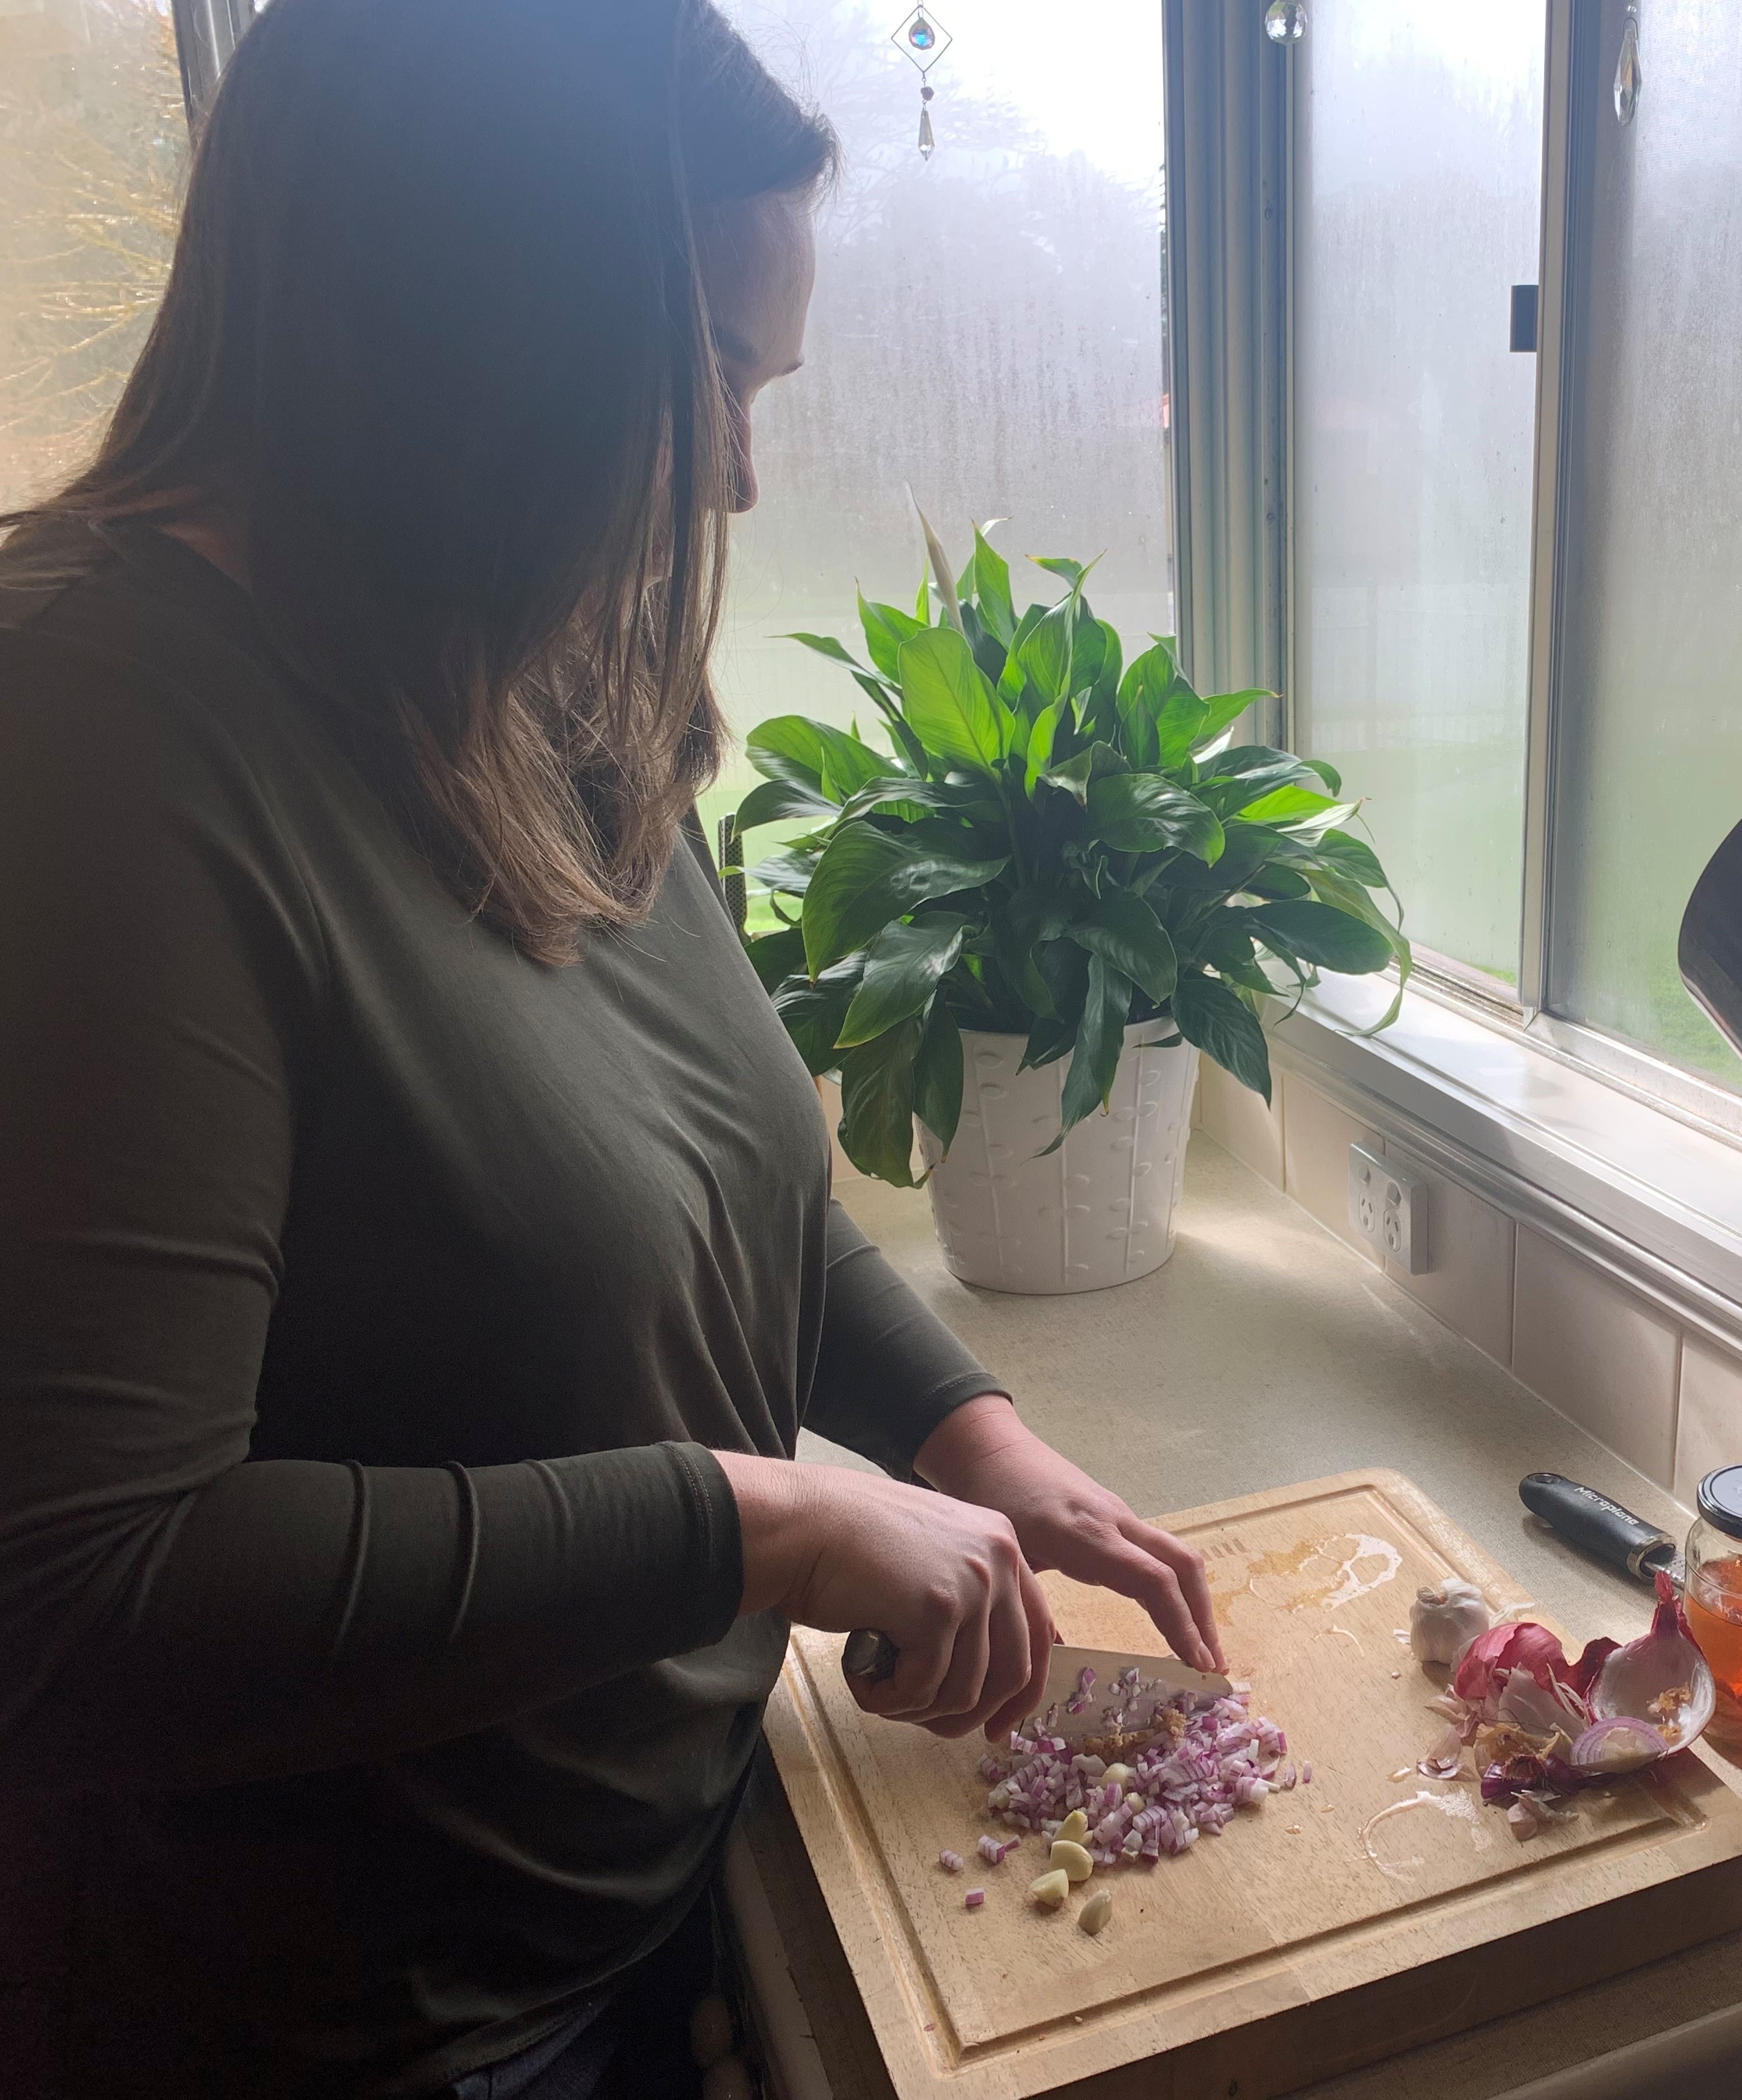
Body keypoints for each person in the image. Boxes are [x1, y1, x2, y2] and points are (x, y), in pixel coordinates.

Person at [0, 3, 1222, 2092]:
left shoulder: (521, 648)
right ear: (487, 339)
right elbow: (80, 1606)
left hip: (655, 1908)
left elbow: (713, 1186)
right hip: (361, 2034)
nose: (744, 466)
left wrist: (963, 1434)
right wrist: (773, 1525)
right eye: (713, 380)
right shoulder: (91, 739)